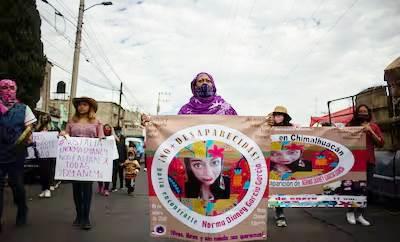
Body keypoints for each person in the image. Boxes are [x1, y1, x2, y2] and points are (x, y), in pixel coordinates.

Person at [60, 97, 104, 230]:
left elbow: (101, 138)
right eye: (79, 105)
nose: (81, 107)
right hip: (74, 161)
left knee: (87, 189)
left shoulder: (97, 122)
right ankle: (78, 215)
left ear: (90, 107)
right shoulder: (71, 122)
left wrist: (102, 140)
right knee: (76, 189)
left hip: (90, 161)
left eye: (84, 104)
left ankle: (86, 217)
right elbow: (66, 137)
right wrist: (62, 135)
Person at [0, 77, 36, 232]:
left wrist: (28, 137)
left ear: (16, 90)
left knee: (17, 185)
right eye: (4, 87)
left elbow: (29, 128)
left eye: (11, 88)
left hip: (16, 153)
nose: (8, 91)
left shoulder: (24, 108)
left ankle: (22, 208)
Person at [345, 104, 384, 226]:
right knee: (354, 188)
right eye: (360, 111)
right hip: (354, 163)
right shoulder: (350, 127)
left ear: (369, 113)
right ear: (357, 113)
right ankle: (350, 212)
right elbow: (342, 139)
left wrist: (370, 131)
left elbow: (381, 143)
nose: (363, 113)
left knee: (366, 190)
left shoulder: (374, 126)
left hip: (369, 162)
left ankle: (360, 214)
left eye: (365, 111)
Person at [267, 105, 293, 227]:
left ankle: (280, 212)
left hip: (286, 162)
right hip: (271, 161)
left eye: (280, 115)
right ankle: (277, 212)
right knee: (272, 187)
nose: (278, 117)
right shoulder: (268, 127)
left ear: (285, 117)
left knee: (281, 189)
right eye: (276, 114)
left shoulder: (291, 129)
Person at [36, 114, 58, 198]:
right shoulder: (38, 128)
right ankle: (43, 189)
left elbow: (57, 137)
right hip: (41, 153)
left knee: (48, 171)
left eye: (46, 118)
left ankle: (48, 189)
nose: (44, 119)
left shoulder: (53, 128)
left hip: (50, 154)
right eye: (43, 118)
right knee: (42, 172)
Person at [97, 124, 115, 196]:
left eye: (109, 128)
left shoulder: (112, 137)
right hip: (100, 158)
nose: (107, 130)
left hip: (109, 159)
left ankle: (106, 189)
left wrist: (113, 131)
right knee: (100, 173)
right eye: (105, 128)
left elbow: (117, 140)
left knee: (107, 174)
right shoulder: (100, 136)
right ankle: (100, 185)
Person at [111, 127, 126, 192]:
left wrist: (125, 160)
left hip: (121, 159)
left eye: (119, 131)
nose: (118, 133)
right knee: (114, 174)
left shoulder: (123, 138)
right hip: (114, 159)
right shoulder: (112, 139)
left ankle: (121, 186)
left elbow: (124, 149)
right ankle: (114, 187)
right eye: (116, 131)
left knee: (121, 173)